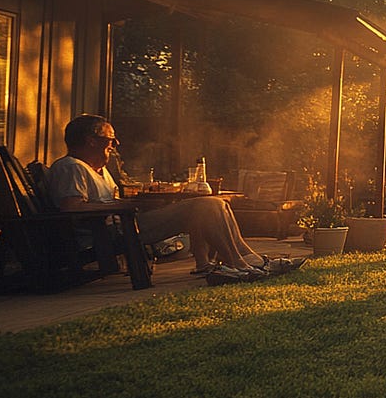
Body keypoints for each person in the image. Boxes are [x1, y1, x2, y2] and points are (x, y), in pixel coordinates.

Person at [47, 114, 282, 277]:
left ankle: (246, 258)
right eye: (110, 139)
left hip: (124, 224)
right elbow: (71, 207)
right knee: (205, 206)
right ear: (91, 141)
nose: (115, 144)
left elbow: (104, 202)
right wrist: (125, 208)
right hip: (111, 233)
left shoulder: (96, 170)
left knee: (214, 203)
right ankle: (238, 264)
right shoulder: (71, 167)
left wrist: (128, 203)